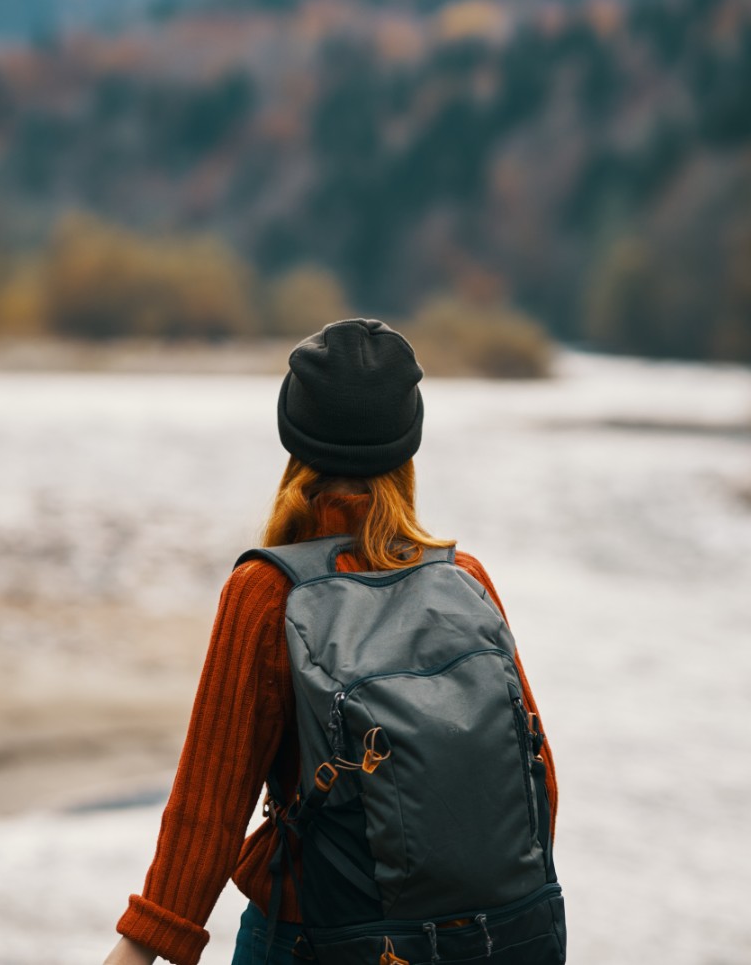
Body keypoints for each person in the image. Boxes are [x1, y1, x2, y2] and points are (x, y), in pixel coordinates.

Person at [103, 318, 559, 965]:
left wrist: (142, 947)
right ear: (407, 444)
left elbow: (212, 805)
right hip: (471, 939)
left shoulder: (267, 590)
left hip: (310, 938)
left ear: (294, 438)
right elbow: (537, 781)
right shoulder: (466, 580)